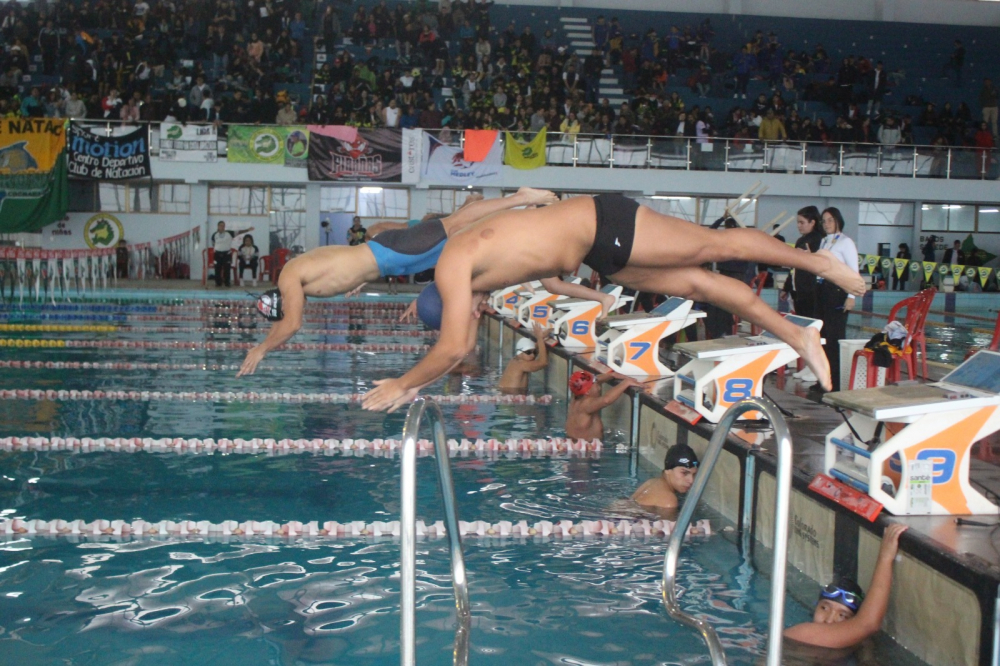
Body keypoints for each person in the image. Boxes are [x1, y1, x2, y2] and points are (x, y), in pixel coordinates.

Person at [361, 194, 866, 412]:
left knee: (717, 243)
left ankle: (820, 263)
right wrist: (416, 385)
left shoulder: (456, 264)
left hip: (604, 222)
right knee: (698, 285)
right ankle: (796, 334)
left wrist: (403, 383)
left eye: (468, 312)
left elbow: (451, 348)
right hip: (599, 249)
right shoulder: (477, 276)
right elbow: (461, 343)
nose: (476, 316)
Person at [237, 188, 560, 377]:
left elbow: (292, 324)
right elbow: (338, 268)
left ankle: (520, 197)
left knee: (460, 221)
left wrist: (261, 348)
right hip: (391, 260)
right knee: (470, 240)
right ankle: (526, 220)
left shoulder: (288, 277)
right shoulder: (299, 279)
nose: (293, 308)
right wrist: (361, 280)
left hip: (391, 252)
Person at [785, 524, 908, 649]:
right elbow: (868, 624)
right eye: (824, 608)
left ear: (852, 621)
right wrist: (886, 557)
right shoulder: (801, 634)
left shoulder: (857, 645)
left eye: (842, 615)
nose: (829, 620)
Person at [814, 207, 861, 393]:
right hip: (822, 290)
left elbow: (853, 271)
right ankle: (823, 379)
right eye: (824, 221)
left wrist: (851, 296)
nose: (826, 224)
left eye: (830, 220)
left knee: (834, 339)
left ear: (838, 221)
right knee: (823, 337)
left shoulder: (846, 242)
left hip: (838, 292)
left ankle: (836, 383)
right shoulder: (824, 241)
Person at [565, 371, 641, 440]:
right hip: (587, 449)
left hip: (575, 442)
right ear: (587, 392)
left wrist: (611, 375)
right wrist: (625, 383)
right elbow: (606, 400)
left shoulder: (576, 397)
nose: (598, 386)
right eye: (595, 384)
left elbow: (596, 379)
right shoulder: (586, 405)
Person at [630, 443, 699, 516]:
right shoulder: (669, 501)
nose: (691, 480)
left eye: (694, 474)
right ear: (668, 470)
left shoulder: (651, 482)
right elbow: (669, 527)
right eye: (684, 473)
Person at [497, 327, 550, 393]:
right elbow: (543, 362)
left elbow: (533, 348)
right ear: (520, 353)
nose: (533, 355)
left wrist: (542, 337)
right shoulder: (521, 364)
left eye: (534, 352)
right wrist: (540, 338)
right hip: (512, 398)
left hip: (508, 395)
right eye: (529, 352)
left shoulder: (515, 360)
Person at [212, 221, 255, 288]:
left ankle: (227, 283)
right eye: (220, 225)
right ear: (218, 226)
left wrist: (247, 230)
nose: (222, 227)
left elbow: (239, 232)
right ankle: (218, 283)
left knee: (227, 269)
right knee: (217, 269)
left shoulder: (229, 233)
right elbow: (213, 243)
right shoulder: (214, 235)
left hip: (226, 254)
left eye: (223, 225)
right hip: (217, 254)